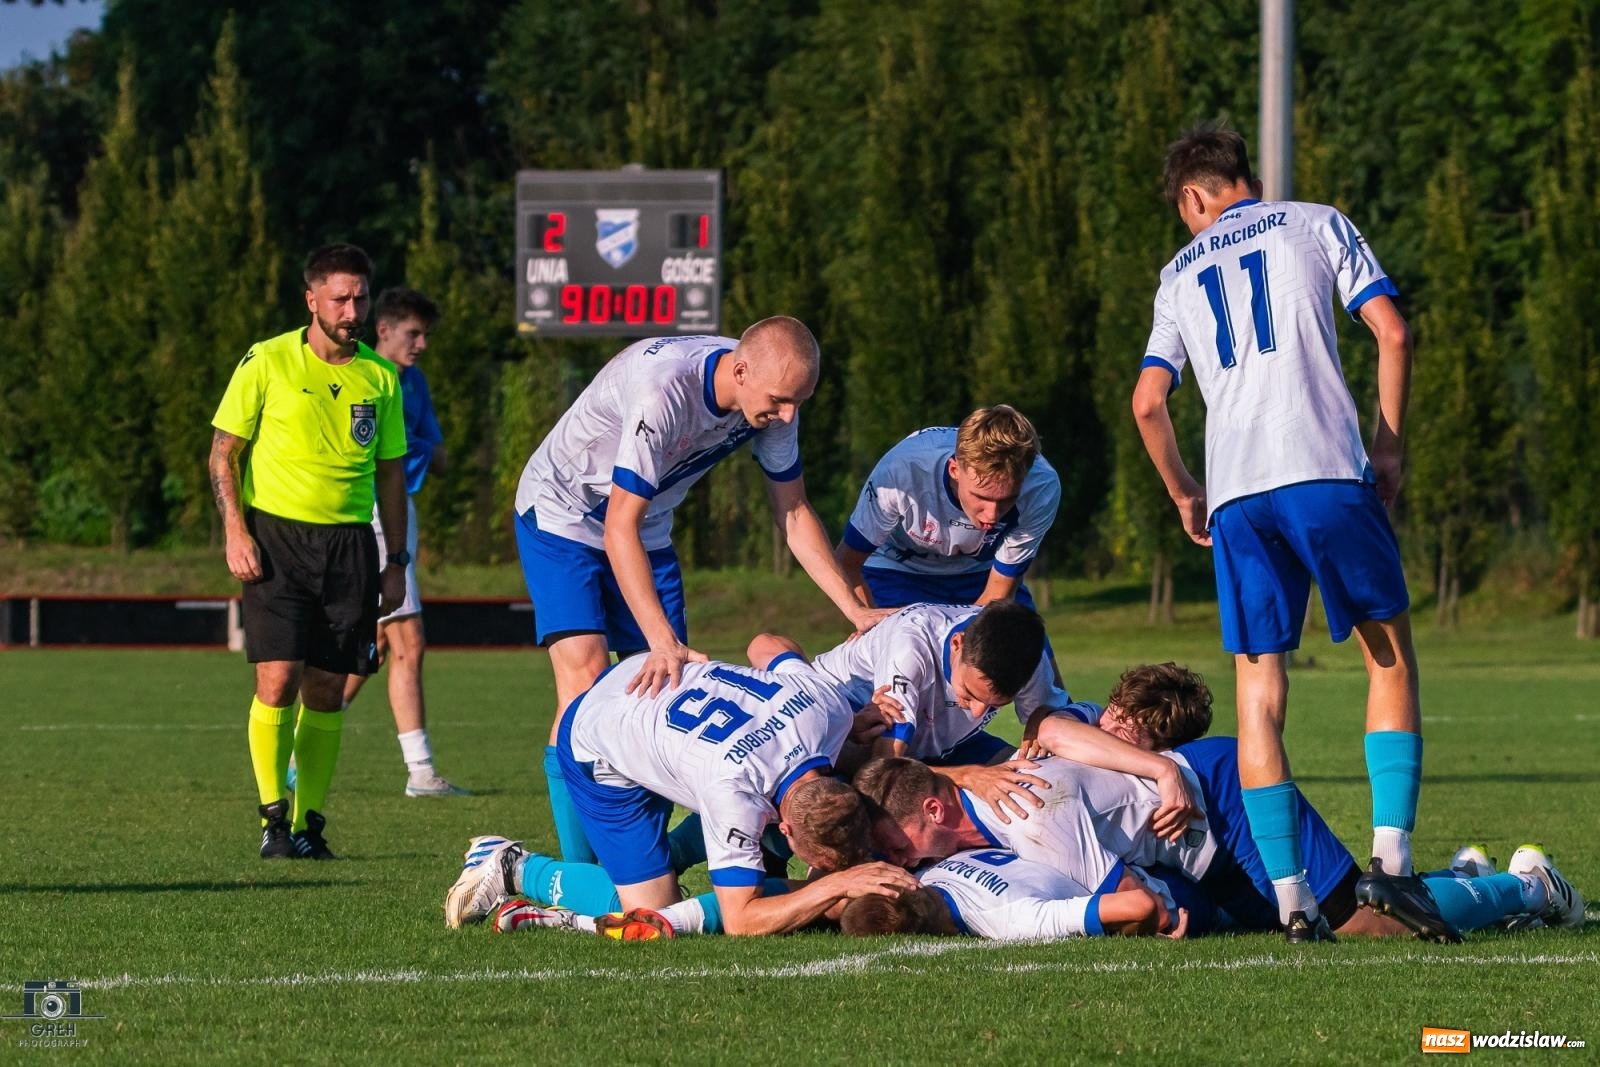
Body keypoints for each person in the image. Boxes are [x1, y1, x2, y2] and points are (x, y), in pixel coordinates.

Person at [1130, 121, 1430, 937]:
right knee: (1388, 654)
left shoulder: (1177, 274)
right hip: (1323, 469)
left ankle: (1293, 902)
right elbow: (1393, 330)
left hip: (1236, 495)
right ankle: (1392, 865)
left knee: (1259, 692)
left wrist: (1185, 491)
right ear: (1246, 182)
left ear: (1192, 198)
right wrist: (1388, 446)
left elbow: (1148, 402)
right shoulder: (1316, 221)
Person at [513, 320, 889, 862]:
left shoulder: (771, 391)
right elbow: (618, 524)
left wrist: (853, 609)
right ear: (741, 371)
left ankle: (640, 862)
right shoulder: (663, 390)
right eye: (780, 401)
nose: (788, 416)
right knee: (587, 683)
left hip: (646, 527)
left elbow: (793, 508)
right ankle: (580, 871)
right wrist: (662, 641)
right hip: (563, 513)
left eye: (798, 402)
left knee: (659, 695)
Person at [1028, 663, 1585, 940]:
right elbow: (1052, 728)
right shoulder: (1087, 723)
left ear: (1170, 744)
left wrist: (1166, 771)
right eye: (1116, 716)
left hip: (1227, 797)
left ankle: (1531, 886)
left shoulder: (1183, 763)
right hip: (1207, 859)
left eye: (1136, 733)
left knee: (1363, 923)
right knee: (1290, 924)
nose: (1113, 731)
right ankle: (1463, 876)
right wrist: (1156, 768)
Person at [442, 655, 918, 936]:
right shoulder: (734, 794)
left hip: (646, 677)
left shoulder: (830, 707)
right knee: (650, 911)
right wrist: (831, 888)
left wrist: (849, 722)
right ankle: (510, 864)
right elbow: (741, 920)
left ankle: (663, 857)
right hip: (599, 740)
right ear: (786, 826)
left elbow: (769, 644)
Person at [209, 244, 407, 860]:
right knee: (278, 679)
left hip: (350, 547)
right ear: (311, 300)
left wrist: (397, 561)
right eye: (340, 298)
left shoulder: (380, 376)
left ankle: (309, 825)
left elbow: (391, 475)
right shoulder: (266, 359)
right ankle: (272, 818)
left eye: (361, 298)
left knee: (326, 688)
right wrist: (235, 530)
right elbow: (224, 452)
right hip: (276, 540)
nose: (352, 311)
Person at [748, 600, 1196, 828]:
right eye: (968, 693)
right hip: (840, 739)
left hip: (931, 748)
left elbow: (1051, 728)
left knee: (1032, 780)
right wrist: (967, 776)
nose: (978, 710)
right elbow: (883, 774)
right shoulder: (911, 646)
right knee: (852, 819)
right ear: (957, 646)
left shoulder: (1024, 654)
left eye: (994, 706)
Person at [337, 286, 466, 798]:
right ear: (384, 329)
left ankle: (302, 746)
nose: (422, 344)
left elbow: (438, 454)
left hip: (398, 509)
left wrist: (418, 450)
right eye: (413, 334)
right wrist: (414, 450)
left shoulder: (414, 382)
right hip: (368, 508)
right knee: (409, 641)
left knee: (381, 645)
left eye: (426, 335)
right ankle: (422, 773)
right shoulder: (362, 375)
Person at [836, 406, 1061, 609]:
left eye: (1006, 500)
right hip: (897, 571)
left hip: (982, 575)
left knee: (1025, 643)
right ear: (955, 470)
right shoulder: (902, 472)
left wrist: (966, 633)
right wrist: (871, 626)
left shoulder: (1041, 486)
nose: (992, 515)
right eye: (980, 496)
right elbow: (848, 562)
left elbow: (999, 592)